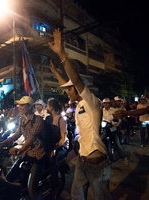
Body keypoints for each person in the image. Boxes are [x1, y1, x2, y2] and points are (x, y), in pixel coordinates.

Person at [49, 28, 111, 200]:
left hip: (97, 165)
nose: (67, 92)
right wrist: (55, 71)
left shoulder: (92, 102)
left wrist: (62, 54)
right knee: (77, 196)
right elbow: (69, 84)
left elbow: (74, 80)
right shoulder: (77, 105)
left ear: (79, 88)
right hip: (82, 162)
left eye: (70, 89)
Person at [1, 96, 46, 200]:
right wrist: (3, 142)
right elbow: (17, 134)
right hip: (26, 154)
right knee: (9, 178)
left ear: (29, 106)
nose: (19, 107)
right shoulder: (22, 119)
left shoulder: (37, 119)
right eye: (19, 105)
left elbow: (30, 138)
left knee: (32, 191)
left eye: (22, 105)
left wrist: (20, 150)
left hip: (37, 155)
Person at [46, 98, 69, 199]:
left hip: (61, 147)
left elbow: (63, 139)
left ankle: (54, 187)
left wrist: (54, 148)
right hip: (52, 145)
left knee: (52, 158)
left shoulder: (61, 119)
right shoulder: (49, 119)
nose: (46, 106)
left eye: (47, 104)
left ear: (51, 107)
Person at [102, 98, 129, 164]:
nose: (105, 104)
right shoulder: (101, 110)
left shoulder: (113, 110)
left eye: (107, 103)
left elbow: (118, 118)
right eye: (104, 103)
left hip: (112, 129)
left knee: (117, 143)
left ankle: (124, 157)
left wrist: (117, 123)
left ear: (109, 103)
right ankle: (108, 158)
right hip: (104, 129)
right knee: (105, 144)